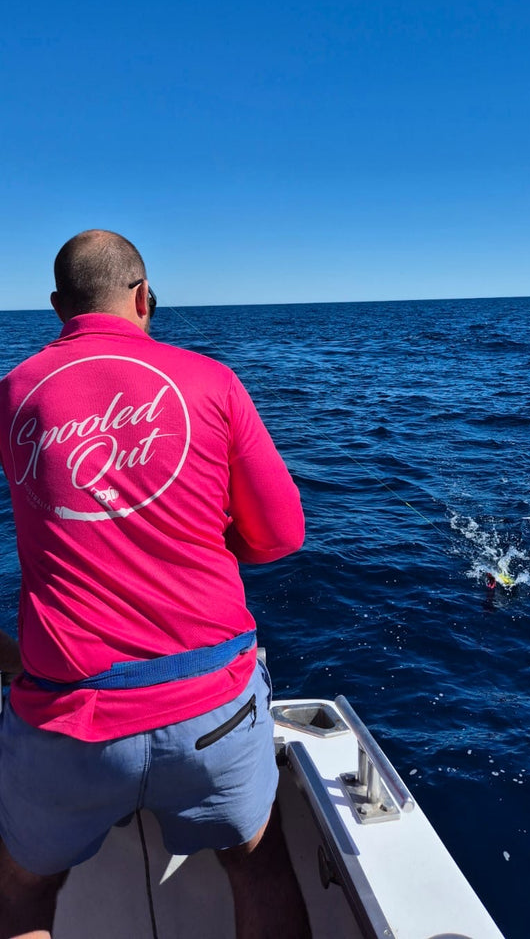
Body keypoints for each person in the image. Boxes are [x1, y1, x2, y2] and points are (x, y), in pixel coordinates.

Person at [0, 230, 310, 939]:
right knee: (258, 864)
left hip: (65, 722)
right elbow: (282, 536)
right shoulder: (212, 380)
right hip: (213, 714)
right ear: (145, 298)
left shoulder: (11, 393)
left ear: (56, 306)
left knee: (20, 889)